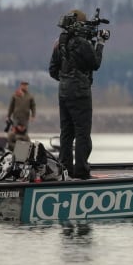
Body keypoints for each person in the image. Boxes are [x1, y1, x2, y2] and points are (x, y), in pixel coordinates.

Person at [49, 9, 105, 179]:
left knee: (66, 132)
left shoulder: (61, 41)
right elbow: (95, 63)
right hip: (80, 93)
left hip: (63, 93)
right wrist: (101, 42)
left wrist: (66, 79)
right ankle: (81, 170)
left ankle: (65, 168)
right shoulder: (82, 43)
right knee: (82, 132)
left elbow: (52, 70)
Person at [7, 80, 36, 149]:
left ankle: (25, 147)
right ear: (21, 86)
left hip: (25, 117)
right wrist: (8, 116)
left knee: (24, 133)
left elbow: (33, 106)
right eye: (23, 85)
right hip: (16, 117)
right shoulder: (15, 95)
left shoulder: (30, 96)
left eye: (26, 85)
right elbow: (11, 106)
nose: (25, 86)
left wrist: (33, 115)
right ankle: (13, 146)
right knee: (14, 132)